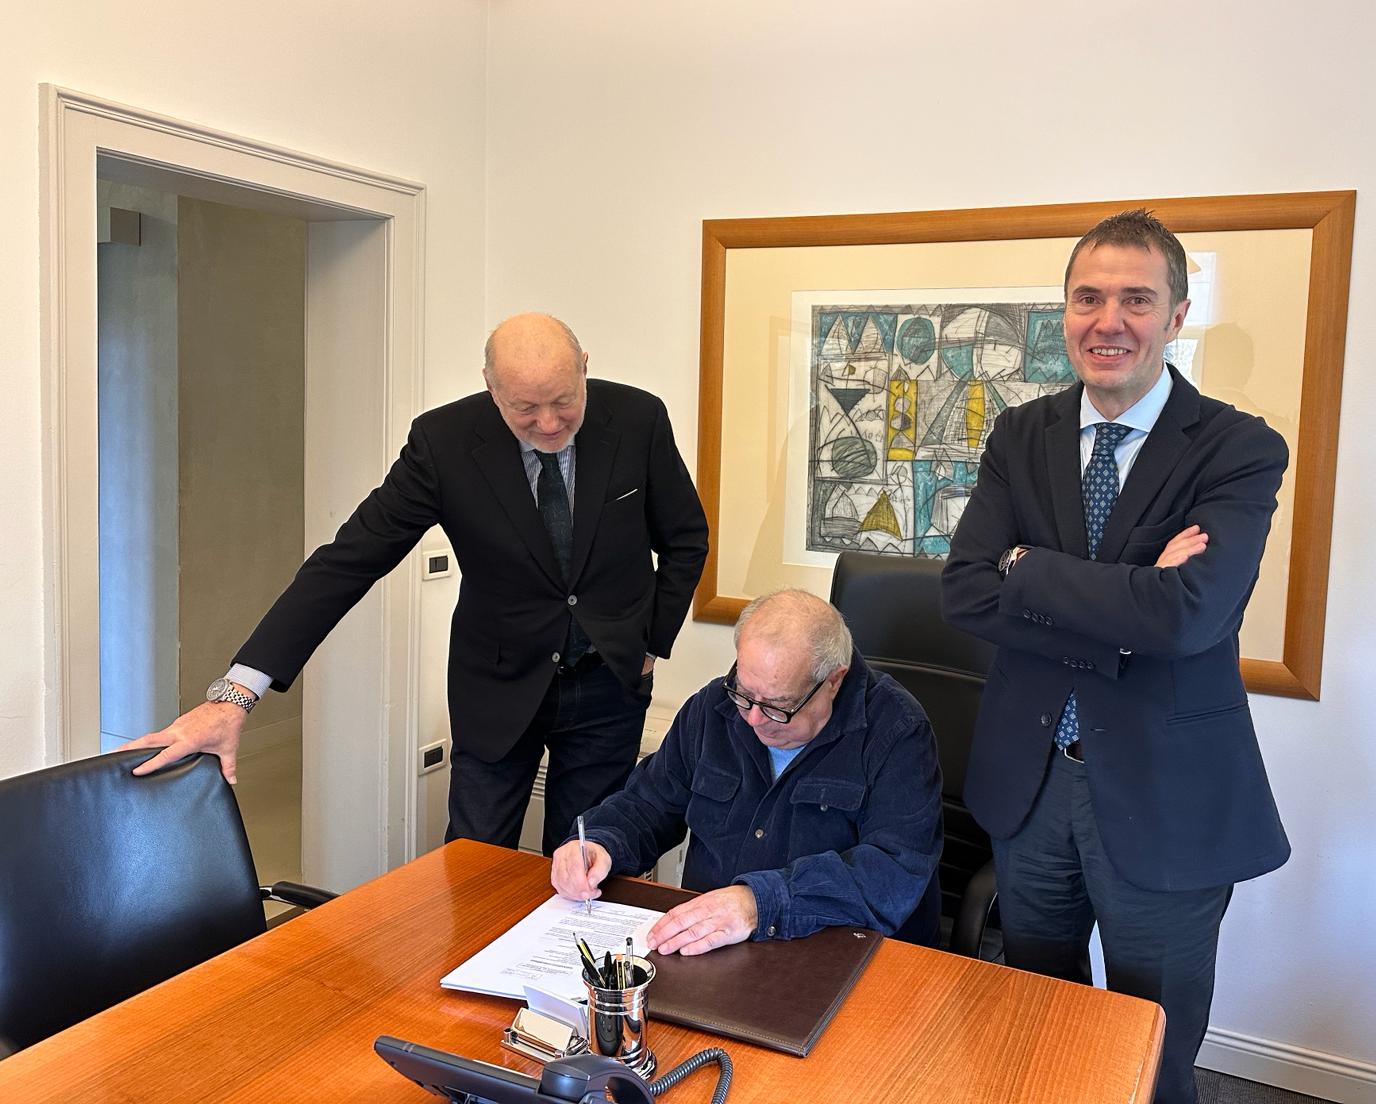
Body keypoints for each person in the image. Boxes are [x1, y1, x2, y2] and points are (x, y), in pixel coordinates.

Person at [123, 313, 709, 853]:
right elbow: (348, 561)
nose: (549, 423)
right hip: (496, 686)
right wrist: (236, 692)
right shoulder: (443, 442)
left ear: (584, 367)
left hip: (608, 685)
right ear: (490, 386)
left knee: (587, 858)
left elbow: (685, 538)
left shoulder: (638, 419)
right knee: (475, 861)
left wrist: (650, 645)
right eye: (525, 408)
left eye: (564, 401)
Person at [941, 210, 1291, 1104]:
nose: (1109, 322)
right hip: (1032, 786)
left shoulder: (1237, 447)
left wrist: (1028, 568)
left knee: (1153, 1048)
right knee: (1039, 1029)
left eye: (1136, 299)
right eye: (1088, 298)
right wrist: (1131, 597)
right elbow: (967, 593)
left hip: (1168, 794)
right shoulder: (1020, 435)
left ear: (1176, 316)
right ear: (1064, 311)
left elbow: (1189, 617)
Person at [549, 588, 942, 955]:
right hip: (714, 950)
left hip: (837, 955)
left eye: (777, 706)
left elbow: (893, 872)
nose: (753, 719)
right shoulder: (712, 708)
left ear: (833, 681)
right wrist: (599, 843)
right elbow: (647, 805)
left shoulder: (897, 731)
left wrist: (758, 902)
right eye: (744, 693)